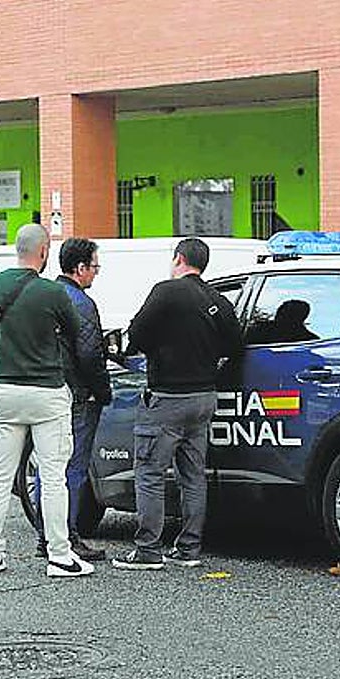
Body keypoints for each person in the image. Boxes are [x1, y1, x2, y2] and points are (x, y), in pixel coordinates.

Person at [112, 238, 243, 570]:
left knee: (150, 472)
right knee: (193, 474)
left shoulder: (165, 291)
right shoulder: (218, 300)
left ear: (179, 259)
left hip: (167, 397)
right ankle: (188, 549)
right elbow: (235, 346)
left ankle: (148, 550)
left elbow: (136, 337)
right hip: (204, 398)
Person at [0, 223, 93, 579]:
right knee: (53, 475)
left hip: (7, 392)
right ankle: (59, 556)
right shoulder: (52, 292)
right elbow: (77, 335)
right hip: (47, 393)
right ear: (44, 252)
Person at [33, 237, 112, 562]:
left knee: (48, 465)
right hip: (78, 394)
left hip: (47, 389)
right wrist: (103, 390)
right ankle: (67, 536)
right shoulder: (80, 302)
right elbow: (90, 354)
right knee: (74, 467)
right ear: (79, 268)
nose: (96, 273)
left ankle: (45, 534)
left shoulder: (43, 296)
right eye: (94, 267)